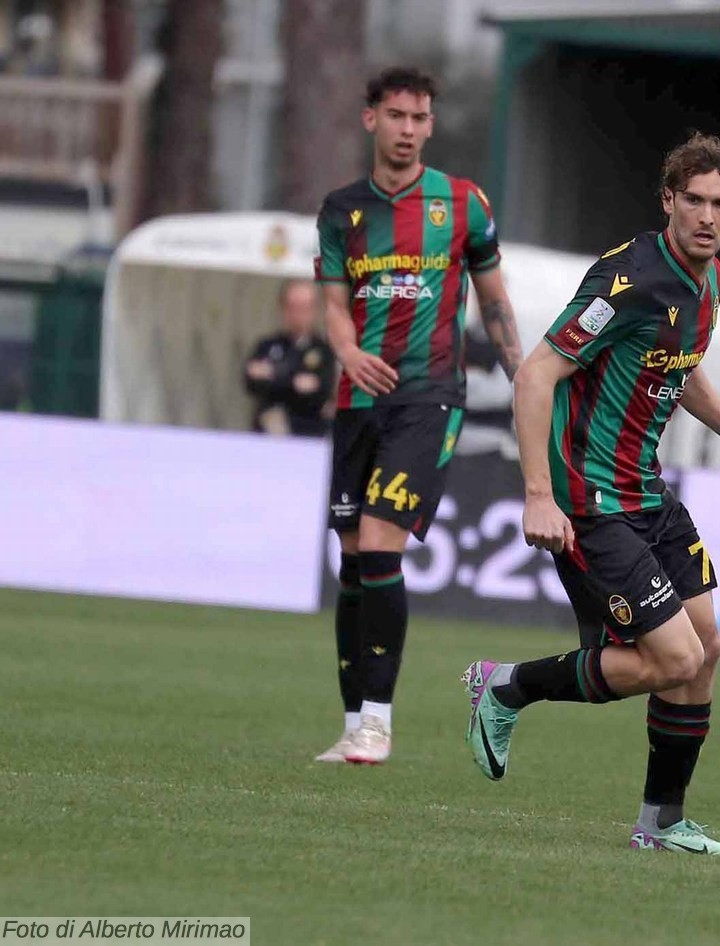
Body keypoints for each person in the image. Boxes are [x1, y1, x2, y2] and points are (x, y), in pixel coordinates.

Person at [461, 133, 720, 857]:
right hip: (588, 499)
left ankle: (662, 825)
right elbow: (536, 374)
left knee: (705, 653)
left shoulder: (711, 281)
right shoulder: (628, 281)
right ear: (668, 201)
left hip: (648, 491)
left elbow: (679, 364)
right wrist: (539, 495)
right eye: (693, 201)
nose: (706, 215)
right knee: (670, 660)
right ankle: (505, 687)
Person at [313, 66, 523, 764]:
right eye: (396, 116)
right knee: (351, 564)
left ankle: (379, 721)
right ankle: (353, 726)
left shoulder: (462, 205)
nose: (408, 129)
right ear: (371, 118)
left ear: (431, 124)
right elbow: (334, 305)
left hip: (429, 398)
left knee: (379, 545)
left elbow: (493, 298)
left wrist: (521, 368)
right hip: (358, 403)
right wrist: (345, 350)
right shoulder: (342, 210)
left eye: (419, 118)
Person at [243, 280, 336, 437]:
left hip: (308, 435)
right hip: (267, 432)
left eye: (304, 308)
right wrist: (294, 381)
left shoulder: (325, 351)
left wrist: (274, 374)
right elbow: (251, 382)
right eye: (292, 307)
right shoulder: (267, 346)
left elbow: (321, 391)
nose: (298, 315)